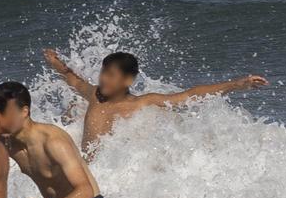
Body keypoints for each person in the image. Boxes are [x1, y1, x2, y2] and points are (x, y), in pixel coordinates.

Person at [43, 49, 269, 154]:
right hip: (83, 167)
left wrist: (237, 84)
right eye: (103, 72)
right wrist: (56, 63)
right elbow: (72, 78)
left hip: (106, 176)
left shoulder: (141, 104)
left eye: (111, 75)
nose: (103, 79)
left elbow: (188, 96)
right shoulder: (95, 95)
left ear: (128, 79)